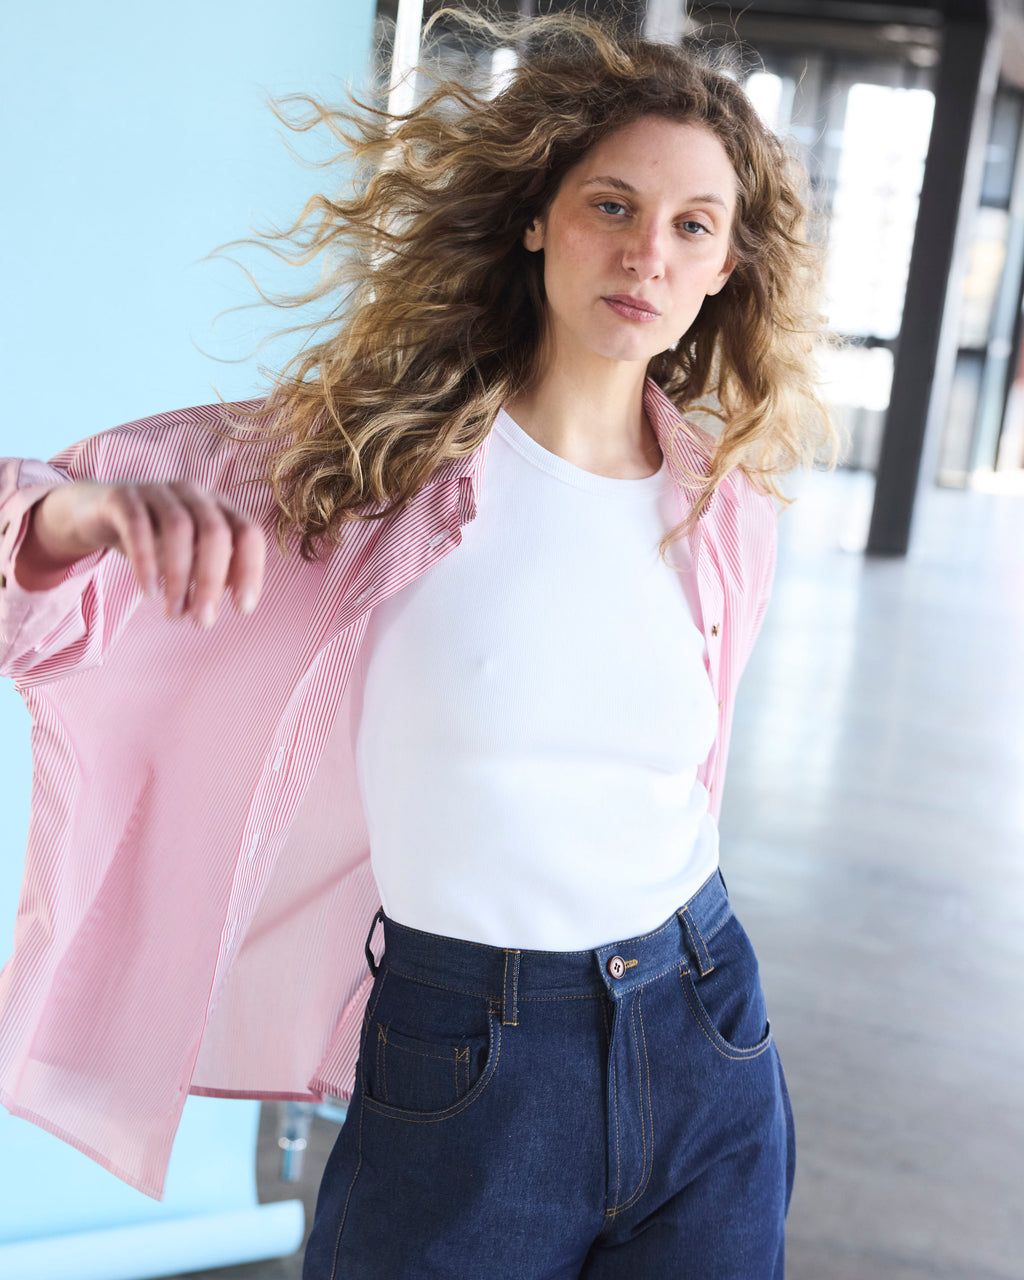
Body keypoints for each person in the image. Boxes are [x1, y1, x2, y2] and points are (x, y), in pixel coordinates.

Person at [0, 9, 837, 1277]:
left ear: (725, 265)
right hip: (469, 1050)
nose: (645, 254)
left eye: (691, 226)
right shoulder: (370, 461)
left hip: (705, 1028)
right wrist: (83, 520)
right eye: (612, 205)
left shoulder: (723, 506)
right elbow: (35, 527)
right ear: (537, 217)